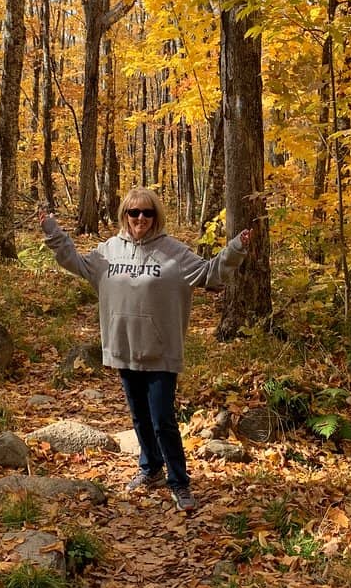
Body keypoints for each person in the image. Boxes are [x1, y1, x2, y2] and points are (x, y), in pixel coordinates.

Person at [38, 188, 253, 513]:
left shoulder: (174, 253)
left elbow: (210, 273)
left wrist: (235, 249)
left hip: (161, 350)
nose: (140, 218)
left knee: (162, 419)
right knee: (139, 416)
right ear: (124, 214)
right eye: (133, 212)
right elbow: (77, 264)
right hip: (124, 348)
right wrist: (54, 233)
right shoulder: (109, 251)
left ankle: (179, 482)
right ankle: (150, 468)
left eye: (147, 213)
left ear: (156, 217)